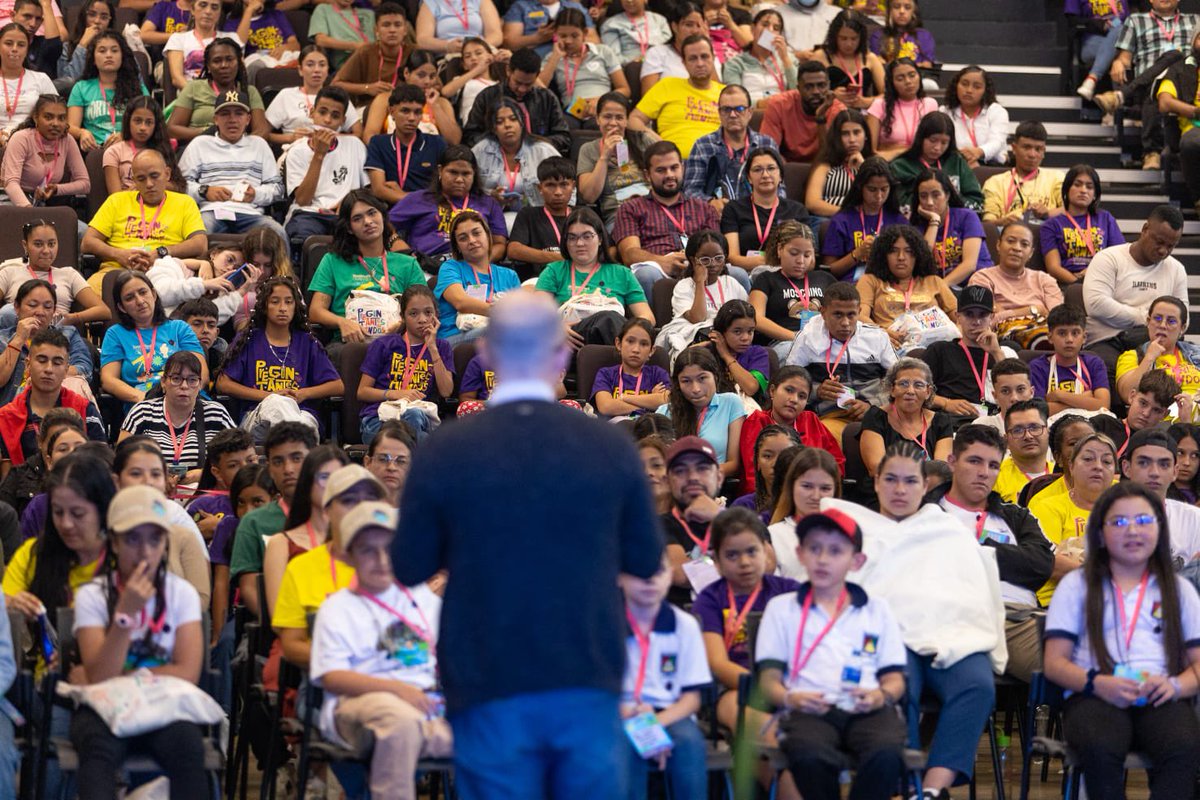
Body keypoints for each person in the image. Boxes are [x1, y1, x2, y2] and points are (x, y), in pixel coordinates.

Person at [394, 291, 664, 798]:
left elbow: (409, 566)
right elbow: (646, 561)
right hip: (585, 673)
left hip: (485, 677)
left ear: (488, 354)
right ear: (563, 355)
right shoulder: (610, 446)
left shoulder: (446, 449)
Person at [1043, 483, 1200, 796]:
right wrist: (1096, 682)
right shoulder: (1077, 585)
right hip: (1094, 694)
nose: (1132, 531)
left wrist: (1175, 685)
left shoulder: (1178, 589)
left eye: (1143, 521)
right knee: (1100, 747)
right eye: (1119, 522)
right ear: (1099, 533)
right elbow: (1054, 662)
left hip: (1161, 694)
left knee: (1184, 747)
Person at [756, 506, 908, 800]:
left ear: (857, 560)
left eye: (836, 551)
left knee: (887, 752)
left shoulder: (877, 610)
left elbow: (894, 678)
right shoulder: (782, 608)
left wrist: (882, 695)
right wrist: (790, 697)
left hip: (867, 709)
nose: (823, 559)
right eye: (815, 548)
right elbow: (768, 680)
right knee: (810, 755)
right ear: (800, 554)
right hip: (808, 709)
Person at [69, 483, 207, 800]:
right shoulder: (93, 595)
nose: (145, 551)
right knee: (96, 748)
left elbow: (187, 672)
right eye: (132, 539)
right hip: (106, 708)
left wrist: (125, 677)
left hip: (164, 705)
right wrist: (124, 616)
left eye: (155, 539)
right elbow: (102, 678)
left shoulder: (180, 593)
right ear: (114, 543)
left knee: (188, 746)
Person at [310, 499, 451, 800]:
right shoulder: (338, 608)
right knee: (399, 722)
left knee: (494, 725)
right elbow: (332, 676)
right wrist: (398, 691)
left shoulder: (424, 601)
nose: (382, 559)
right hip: (357, 703)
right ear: (346, 555)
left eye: (390, 548)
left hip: (426, 705)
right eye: (367, 550)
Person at [619, 553, 711, 800]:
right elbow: (598, 692)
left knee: (688, 744)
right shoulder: (606, 625)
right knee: (624, 748)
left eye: (658, 571)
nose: (650, 580)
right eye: (640, 573)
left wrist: (653, 727)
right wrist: (634, 721)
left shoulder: (684, 625)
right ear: (619, 577)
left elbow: (692, 699)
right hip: (620, 713)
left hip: (672, 713)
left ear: (670, 575)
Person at [216, 275, 342, 438]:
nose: (283, 308)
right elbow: (222, 383)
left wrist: (303, 393)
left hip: (302, 414)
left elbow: (338, 386)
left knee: (305, 421)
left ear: (296, 306)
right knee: (277, 404)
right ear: (264, 306)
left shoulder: (307, 342)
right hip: (257, 417)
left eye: (288, 302)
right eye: (275, 302)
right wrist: (269, 396)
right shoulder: (248, 339)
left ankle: (295, 445)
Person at [1092, 0, 1199, 171]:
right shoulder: (1135, 20)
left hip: (1184, 85)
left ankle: (1151, 152)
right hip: (1146, 86)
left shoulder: (1195, 20)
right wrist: (1119, 62)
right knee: (1158, 82)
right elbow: (1125, 58)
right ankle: (1151, 151)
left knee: (1175, 55)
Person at [82, 149, 208, 294]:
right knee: (88, 295)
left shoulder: (184, 202)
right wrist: (119, 254)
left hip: (164, 270)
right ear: (134, 180)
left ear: (167, 174)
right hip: (116, 270)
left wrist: (162, 253)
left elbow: (200, 244)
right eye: (141, 179)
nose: (149, 184)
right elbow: (88, 242)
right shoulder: (117, 201)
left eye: (154, 176)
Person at [310, 190, 425, 344]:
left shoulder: (407, 264)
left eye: (372, 213)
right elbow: (316, 311)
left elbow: (423, 310)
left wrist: (402, 324)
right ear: (349, 228)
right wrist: (342, 322)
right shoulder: (332, 261)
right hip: (350, 345)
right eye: (358, 218)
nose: (368, 221)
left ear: (382, 217)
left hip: (398, 342)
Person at [786, 280, 896, 439]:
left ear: (859, 311)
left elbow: (900, 381)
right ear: (823, 313)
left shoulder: (877, 338)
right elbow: (788, 383)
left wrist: (873, 404)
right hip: (831, 416)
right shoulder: (807, 339)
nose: (845, 323)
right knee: (826, 439)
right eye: (837, 314)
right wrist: (816, 391)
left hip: (878, 413)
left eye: (851, 315)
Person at [612, 141, 722, 298]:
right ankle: (649, 323)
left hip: (701, 267)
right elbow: (629, 254)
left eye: (674, 168)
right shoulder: (631, 208)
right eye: (661, 170)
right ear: (647, 175)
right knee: (645, 274)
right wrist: (662, 262)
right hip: (657, 271)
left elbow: (717, 249)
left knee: (738, 274)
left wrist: (695, 262)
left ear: (682, 168)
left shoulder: (705, 208)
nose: (669, 174)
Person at [1086, 206, 1188, 372]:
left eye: (1171, 246)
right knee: (1106, 368)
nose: (1163, 250)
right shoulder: (1109, 258)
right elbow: (1096, 305)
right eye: (1159, 242)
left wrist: (1154, 324)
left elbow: (1184, 318)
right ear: (1145, 229)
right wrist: (1146, 318)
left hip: (1156, 341)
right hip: (1109, 340)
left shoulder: (1176, 269)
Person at [228, 421, 315, 617]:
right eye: (278, 461)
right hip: (274, 625)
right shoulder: (254, 522)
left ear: (314, 460)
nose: (288, 469)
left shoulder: (332, 515)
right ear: (268, 467)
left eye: (297, 458)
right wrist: (283, 625)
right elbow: (249, 589)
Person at [177, 88, 285, 240]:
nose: (232, 119)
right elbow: (179, 186)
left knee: (277, 233)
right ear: (216, 119)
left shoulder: (259, 145)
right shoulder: (199, 144)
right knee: (199, 233)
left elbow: (278, 189)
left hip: (250, 213)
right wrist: (204, 191)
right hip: (212, 211)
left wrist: (255, 194)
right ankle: (196, 265)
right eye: (225, 114)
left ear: (248, 119)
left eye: (239, 114)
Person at [535, 207, 653, 343]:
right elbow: (537, 313)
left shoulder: (621, 273)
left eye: (587, 236)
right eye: (572, 238)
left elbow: (647, 317)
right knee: (609, 319)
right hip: (568, 339)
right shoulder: (554, 271)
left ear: (600, 239)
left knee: (609, 319)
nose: (579, 243)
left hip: (612, 333)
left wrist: (630, 333)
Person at [117, 351, 235, 484]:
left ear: (199, 385)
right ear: (163, 382)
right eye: (176, 379)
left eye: (192, 380)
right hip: (150, 492)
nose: (184, 386)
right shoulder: (142, 413)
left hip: (201, 494)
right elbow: (120, 464)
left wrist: (204, 474)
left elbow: (237, 463)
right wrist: (155, 479)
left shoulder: (216, 414)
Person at [1029, 431, 1118, 605]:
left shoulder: (1125, 510)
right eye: (1088, 459)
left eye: (1107, 461)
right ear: (1071, 466)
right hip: (1057, 603)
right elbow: (1050, 562)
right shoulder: (1047, 507)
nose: (1098, 466)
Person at [358, 284, 455, 443]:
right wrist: (394, 393)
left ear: (436, 316)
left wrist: (432, 348)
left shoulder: (441, 347)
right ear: (402, 316)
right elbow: (362, 392)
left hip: (419, 418)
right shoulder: (384, 345)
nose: (422, 319)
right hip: (379, 419)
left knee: (414, 415)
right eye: (413, 313)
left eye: (428, 313)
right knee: (426, 441)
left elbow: (446, 391)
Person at [261, 444, 348, 619]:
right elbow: (279, 618)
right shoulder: (280, 544)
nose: (331, 486)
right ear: (307, 483)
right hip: (299, 638)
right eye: (324, 477)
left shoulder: (360, 542)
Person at [0, 323, 102, 469]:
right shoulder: (5, 417)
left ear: (66, 369)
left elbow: (101, 466)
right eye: (41, 361)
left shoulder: (86, 410)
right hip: (23, 489)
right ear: (28, 365)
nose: (49, 369)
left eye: (57, 363)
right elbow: (6, 482)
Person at [388, 145, 509, 264]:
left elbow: (500, 244)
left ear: (474, 174)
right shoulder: (419, 199)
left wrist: (479, 262)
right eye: (453, 172)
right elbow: (385, 223)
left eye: (466, 174)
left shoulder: (488, 203)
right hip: (428, 265)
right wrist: (395, 240)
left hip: (473, 266)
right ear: (440, 170)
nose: (459, 179)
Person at [281, 86, 367, 252]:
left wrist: (347, 203)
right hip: (309, 214)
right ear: (312, 113)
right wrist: (319, 155)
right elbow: (303, 200)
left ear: (343, 121)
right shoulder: (297, 150)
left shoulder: (355, 145)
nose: (327, 120)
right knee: (303, 236)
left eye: (335, 116)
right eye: (322, 112)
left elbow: (367, 191)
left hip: (345, 216)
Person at [99, 270, 207, 403]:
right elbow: (109, 380)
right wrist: (145, 400)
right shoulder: (115, 334)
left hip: (186, 401)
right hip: (141, 403)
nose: (139, 301)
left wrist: (179, 399)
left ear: (154, 294)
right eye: (129, 298)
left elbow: (201, 373)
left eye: (143, 292)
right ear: (122, 307)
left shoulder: (179, 328)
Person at [739, 366, 844, 488]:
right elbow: (753, 474)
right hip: (763, 499)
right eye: (789, 390)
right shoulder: (757, 421)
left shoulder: (811, 420)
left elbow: (836, 463)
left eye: (802, 396)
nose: (794, 400)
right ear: (772, 391)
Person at [683, 88, 781, 214]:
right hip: (719, 216)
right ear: (719, 113)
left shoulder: (766, 144)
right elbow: (690, 191)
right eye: (726, 109)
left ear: (750, 112)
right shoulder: (703, 145)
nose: (733, 115)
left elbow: (780, 188)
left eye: (739, 109)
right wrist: (710, 202)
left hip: (760, 215)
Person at [855, 223, 957, 345]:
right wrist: (882, 332)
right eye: (893, 251)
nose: (901, 257)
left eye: (908, 251)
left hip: (933, 345)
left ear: (918, 255)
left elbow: (960, 317)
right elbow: (859, 316)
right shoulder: (869, 280)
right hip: (889, 343)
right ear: (883, 255)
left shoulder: (934, 281)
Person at [432, 209, 521, 344]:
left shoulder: (509, 275)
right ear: (458, 247)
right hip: (454, 339)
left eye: (476, 233)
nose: (472, 241)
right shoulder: (451, 267)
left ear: (488, 236)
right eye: (463, 238)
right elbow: (461, 302)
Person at [968, 221, 1064, 345]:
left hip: (1044, 334)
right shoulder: (982, 277)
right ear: (998, 245)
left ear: (1031, 253)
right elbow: (986, 319)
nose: (1017, 248)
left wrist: (1006, 313)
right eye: (1010, 241)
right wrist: (1036, 309)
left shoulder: (1044, 279)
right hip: (1001, 341)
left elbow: (1058, 318)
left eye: (1024, 244)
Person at [628, 35, 721, 159]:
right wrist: (659, 144)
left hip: (719, 163)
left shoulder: (726, 93)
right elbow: (633, 120)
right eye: (692, 58)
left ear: (713, 58)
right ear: (684, 63)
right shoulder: (667, 85)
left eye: (704, 57)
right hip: (676, 165)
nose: (700, 64)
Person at [462, 47, 570, 153]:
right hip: (497, 156)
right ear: (508, 71)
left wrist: (538, 146)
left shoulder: (547, 98)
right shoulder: (487, 96)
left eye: (528, 84)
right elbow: (470, 135)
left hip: (539, 158)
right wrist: (500, 144)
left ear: (536, 76)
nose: (522, 89)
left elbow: (563, 137)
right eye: (518, 83)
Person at [656, 347, 746, 476]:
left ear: (715, 376)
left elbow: (734, 464)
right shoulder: (664, 412)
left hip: (716, 486)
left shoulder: (731, 403)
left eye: (702, 378)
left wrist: (698, 474)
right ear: (678, 383)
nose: (696, 389)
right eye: (686, 381)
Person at [922, 285, 1007, 420]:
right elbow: (916, 391)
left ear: (992, 317)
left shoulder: (1005, 352)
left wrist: (996, 353)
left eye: (982, 315)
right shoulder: (940, 350)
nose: (976, 322)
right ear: (958, 317)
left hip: (996, 422)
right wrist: (945, 403)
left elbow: (1020, 395)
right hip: (954, 421)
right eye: (969, 315)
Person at [0, 219, 106, 325]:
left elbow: (103, 310)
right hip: (17, 334)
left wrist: (72, 318)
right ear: (25, 245)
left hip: (57, 335)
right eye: (38, 244)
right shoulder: (9, 273)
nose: (46, 251)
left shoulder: (69, 274)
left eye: (51, 244)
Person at [859, 357, 953, 478]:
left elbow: (941, 471)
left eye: (918, 385)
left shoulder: (941, 421)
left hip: (928, 490)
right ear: (892, 389)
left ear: (928, 392)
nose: (910, 391)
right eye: (903, 384)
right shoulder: (876, 417)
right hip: (884, 490)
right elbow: (877, 468)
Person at [749, 221, 832, 355]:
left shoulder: (824, 278)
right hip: (785, 342)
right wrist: (795, 337)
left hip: (823, 340)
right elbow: (756, 318)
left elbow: (846, 306)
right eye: (794, 253)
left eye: (807, 255)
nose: (800, 260)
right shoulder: (767, 279)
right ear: (780, 249)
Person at [1121, 428, 1200, 567]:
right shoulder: (1105, 517)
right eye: (1144, 463)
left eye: (1164, 464)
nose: (1154, 473)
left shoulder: (1194, 519)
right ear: (1127, 468)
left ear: (1175, 471)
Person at [819, 156, 906, 281]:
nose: (879, 196)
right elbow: (828, 270)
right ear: (860, 187)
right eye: (872, 189)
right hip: (853, 288)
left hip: (890, 286)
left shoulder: (898, 220)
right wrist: (857, 254)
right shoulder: (842, 220)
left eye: (884, 189)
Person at [166, 38, 269, 143]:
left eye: (229, 59)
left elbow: (262, 130)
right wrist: (210, 133)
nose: (224, 65)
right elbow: (172, 128)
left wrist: (239, 145)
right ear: (208, 67)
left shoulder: (249, 91)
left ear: (239, 63)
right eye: (217, 61)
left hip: (239, 151)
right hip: (200, 146)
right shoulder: (193, 88)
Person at [720, 148, 807, 271]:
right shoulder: (733, 209)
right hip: (746, 274)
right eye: (757, 170)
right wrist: (766, 262)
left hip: (786, 273)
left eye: (771, 168)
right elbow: (732, 258)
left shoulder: (797, 210)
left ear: (781, 176)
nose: (765, 175)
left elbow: (807, 256)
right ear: (749, 178)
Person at [575, 92, 653, 230]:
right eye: (607, 117)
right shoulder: (588, 150)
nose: (613, 123)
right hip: (618, 217)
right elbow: (589, 196)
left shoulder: (643, 141)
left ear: (626, 120)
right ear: (597, 119)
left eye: (619, 117)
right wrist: (604, 157)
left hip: (652, 210)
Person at [471, 97, 561, 215]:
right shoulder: (480, 150)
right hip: (490, 217)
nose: (507, 125)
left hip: (537, 217)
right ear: (493, 128)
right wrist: (490, 196)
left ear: (522, 123)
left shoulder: (543, 150)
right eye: (499, 121)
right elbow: (468, 189)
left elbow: (567, 185)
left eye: (513, 119)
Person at [536, 9, 625, 123]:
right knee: (564, 127)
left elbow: (624, 89)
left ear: (585, 33)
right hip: (570, 113)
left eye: (574, 36)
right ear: (555, 35)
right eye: (563, 36)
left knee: (599, 123)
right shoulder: (551, 57)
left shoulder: (603, 51)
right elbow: (538, 89)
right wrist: (555, 57)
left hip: (602, 108)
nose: (568, 41)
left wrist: (602, 100)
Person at [363, 83, 445, 205]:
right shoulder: (378, 143)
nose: (412, 118)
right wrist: (414, 200)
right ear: (392, 111)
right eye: (405, 111)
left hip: (427, 211)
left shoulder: (436, 143)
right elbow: (379, 190)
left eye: (417, 112)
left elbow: (443, 189)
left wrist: (402, 196)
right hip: (390, 211)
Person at [1, 93, 89, 208]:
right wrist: (30, 210)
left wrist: (56, 189)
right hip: (10, 202)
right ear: (36, 117)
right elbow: (11, 184)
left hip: (43, 205)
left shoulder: (67, 140)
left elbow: (85, 184)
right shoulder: (21, 138)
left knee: (81, 226)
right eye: (48, 117)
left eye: (61, 118)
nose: (55, 123)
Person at [361, 49, 464, 144]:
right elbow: (369, 136)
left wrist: (435, 107)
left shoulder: (441, 103)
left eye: (432, 76)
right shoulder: (384, 99)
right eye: (421, 75)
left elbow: (454, 141)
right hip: (392, 156)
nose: (427, 81)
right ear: (406, 73)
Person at [65, 30, 145, 152]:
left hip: (131, 148)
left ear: (122, 56)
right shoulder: (81, 87)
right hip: (95, 150)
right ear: (93, 59)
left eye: (114, 50)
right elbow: (71, 126)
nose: (109, 55)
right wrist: (81, 133)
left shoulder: (137, 87)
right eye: (102, 51)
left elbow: (149, 120)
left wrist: (126, 135)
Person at [267, 47, 362, 147]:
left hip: (332, 151)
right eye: (310, 64)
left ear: (327, 70)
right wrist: (290, 137)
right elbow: (264, 134)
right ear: (300, 70)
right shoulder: (286, 95)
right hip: (295, 151)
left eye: (322, 65)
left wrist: (332, 137)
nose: (317, 70)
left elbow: (358, 134)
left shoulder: (337, 96)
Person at [890, 113, 983, 214]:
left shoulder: (956, 161)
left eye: (944, 143)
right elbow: (897, 203)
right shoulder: (900, 167)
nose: (937, 148)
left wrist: (945, 206)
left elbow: (976, 200)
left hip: (953, 220)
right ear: (921, 138)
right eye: (933, 140)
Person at [1116, 296, 1200, 404]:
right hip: (1158, 418)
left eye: (1171, 321)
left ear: (1182, 328)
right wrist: (1149, 358)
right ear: (1148, 322)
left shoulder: (1196, 353)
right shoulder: (1132, 356)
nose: (1163, 325)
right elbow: (1127, 395)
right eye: (1158, 318)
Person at [1029, 305, 1111, 416]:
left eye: (1075, 333)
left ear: (1084, 337)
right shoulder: (1037, 367)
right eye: (1062, 333)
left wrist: (1060, 396)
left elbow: (1103, 405)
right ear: (1050, 337)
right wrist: (1085, 400)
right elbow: (1039, 411)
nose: (1069, 339)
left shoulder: (1094, 363)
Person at [760, 60, 845, 164]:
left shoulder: (838, 111)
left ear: (829, 86)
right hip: (786, 169)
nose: (816, 92)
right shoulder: (779, 105)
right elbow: (768, 150)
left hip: (825, 170)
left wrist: (820, 118)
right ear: (798, 88)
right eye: (809, 87)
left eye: (821, 85)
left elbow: (834, 157)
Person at [980, 120, 1064, 225]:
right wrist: (1002, 222)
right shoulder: (995, 183)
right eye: (1026, 147)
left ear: (1044, 152)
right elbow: (987, 224)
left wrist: (1048, 213)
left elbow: (1071, 210)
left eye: (1038, 149)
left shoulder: (1056, 178)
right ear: (1014, 148)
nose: (1032, 154)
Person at [505, 156, 576, 276]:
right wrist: (560, 258)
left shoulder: (582, 215)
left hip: (578, 279)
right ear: (540, 188)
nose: (558, 192)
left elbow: (607, 250)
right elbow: (513, 250)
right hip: (538, 281)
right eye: (550, 185)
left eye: (564, 184)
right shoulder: (528, 215)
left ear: (573, 187)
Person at [328, 3, 408, 105]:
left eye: (397, 25)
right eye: (386, 25)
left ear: (405, 30)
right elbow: (335, 84)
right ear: (376, 31)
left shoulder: (414, 52)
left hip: (407, 110)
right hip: (368, 109)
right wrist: (367, 88)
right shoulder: (365, 51)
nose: (392, 30)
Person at [102, 97, 181, 194]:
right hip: (129, 204)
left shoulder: (164, 149)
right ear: (128, 121)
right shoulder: (113, 152)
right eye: (137, 121)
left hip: (163, 204)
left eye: (149, 122)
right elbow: (115, 197)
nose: (143, 127)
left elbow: (179, 187)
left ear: (156, 125)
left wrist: (147, 184)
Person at [803, 108, 872, 218]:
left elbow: (880, 198)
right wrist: (848, 214)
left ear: (866, 135)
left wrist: (863, 167)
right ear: (837, 138)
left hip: (866, 222)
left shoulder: (874, 165)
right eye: (845, 134)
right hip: (829, 221)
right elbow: (812, 203)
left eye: (856, 132)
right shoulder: (825, 165)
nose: (852, 139)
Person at [810, 9, 884, 111]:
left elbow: (888, 95)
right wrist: (831, 96)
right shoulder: (820, 56)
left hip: (862, 117)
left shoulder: (869, 58)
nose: (849, 44)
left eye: (854, 39)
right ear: (834, 36)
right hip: (829, 115)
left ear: (861, 38)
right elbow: (806, 93)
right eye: (843, 38)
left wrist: (866, 102)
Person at [720, 9, 794, 106]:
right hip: (750, 115)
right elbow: (734, 99)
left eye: (776, 28)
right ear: (753, 29)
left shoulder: (787, 60)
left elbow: (798, 92)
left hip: (781, 113)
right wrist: (760, 104)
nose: (770, 30)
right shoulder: (735, 64)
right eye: (765, 25)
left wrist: (785, 59)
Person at [865, 58, 936, 158]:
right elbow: (870, 152)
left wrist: (893, 149)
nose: (908, 81)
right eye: (900, 78)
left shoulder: (930, 104)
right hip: (888, 164)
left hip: (921, 163)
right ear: (892, 83)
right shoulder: (879, 105)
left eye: (912, 75)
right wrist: (901, 152)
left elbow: (934, 145)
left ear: (919, 76)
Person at [938, 65, 1008, 167]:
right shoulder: (944, 112)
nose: (969, 90)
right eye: (964, 84)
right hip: (955, 165)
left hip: (992, 166)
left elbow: (997, 142)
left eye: (977, 87)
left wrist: (978, 152)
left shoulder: (996, 111)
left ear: (985, 91)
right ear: (956, 86)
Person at [637, 0, 711, 93]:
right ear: (674, 27)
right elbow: (648, 98)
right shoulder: (657, 53)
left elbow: (718, 92)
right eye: (689, 25)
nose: (695, 31)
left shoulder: (707, 54)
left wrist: (708, 47)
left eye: (699, 25)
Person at [160, 0, 234, 89]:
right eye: (203, 5)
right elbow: (177, 79)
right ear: (192, 9)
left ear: (219, 13)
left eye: (214, 7)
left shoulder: (230, 40)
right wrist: (200, 94)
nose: (208, 11)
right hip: (190, 95)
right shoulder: (178, 39)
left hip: (224, 96)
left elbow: (239, 75)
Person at [0, 23, 55, 142]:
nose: (14, 49)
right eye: (8, 43)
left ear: (27, 49)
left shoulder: (41, 79)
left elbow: (56, 116)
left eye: (21, 45)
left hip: (34, 142)